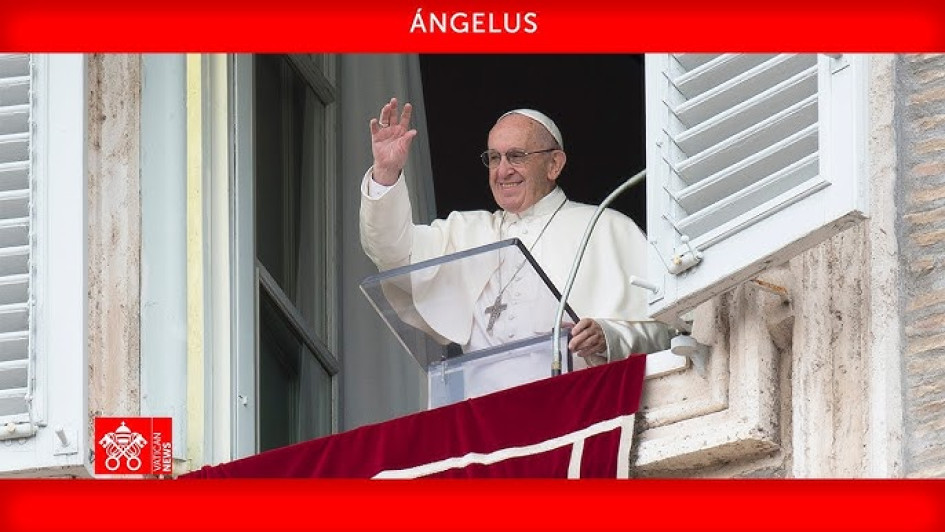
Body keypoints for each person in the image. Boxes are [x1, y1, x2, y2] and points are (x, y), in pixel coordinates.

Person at [360, 97, 670, 396]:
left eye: (516, 156)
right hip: (485, 418)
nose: (502, 170)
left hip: (578, 407)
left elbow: (668, 331)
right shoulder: (466, 232)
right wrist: (386, 173)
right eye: (494, 158)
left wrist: (608, 338)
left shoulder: (605, 227)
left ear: (554, 164)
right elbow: (394, 254)